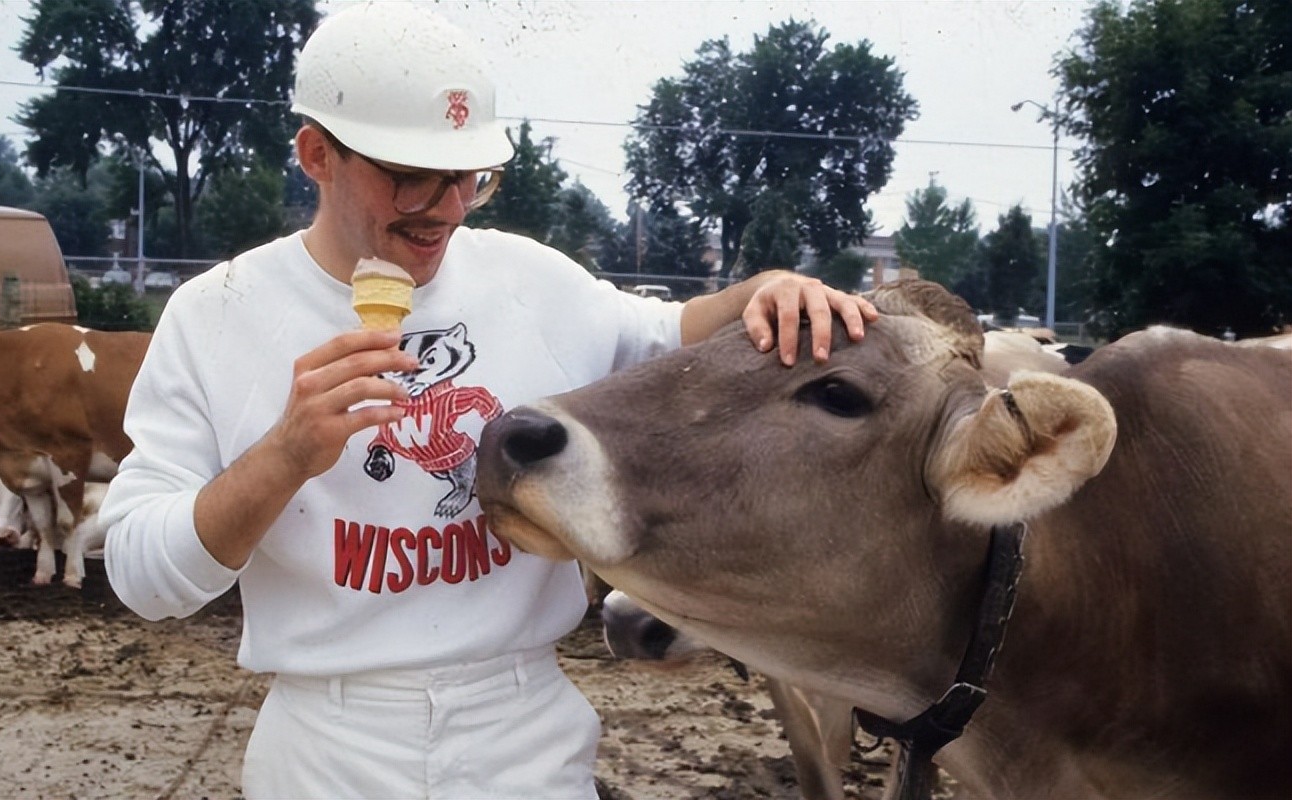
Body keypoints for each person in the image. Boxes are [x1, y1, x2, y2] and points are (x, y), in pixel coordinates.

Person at [100, 4, 877, 799]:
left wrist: (766, 290)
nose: (446, 207)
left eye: (468, 177)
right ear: (316, 155)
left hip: (523, 732)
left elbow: (672, 336)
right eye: (409, 175)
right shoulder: (218, 314)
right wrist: (283, 457)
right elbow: (142, 577)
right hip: (328, 746)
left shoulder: (531, 282)